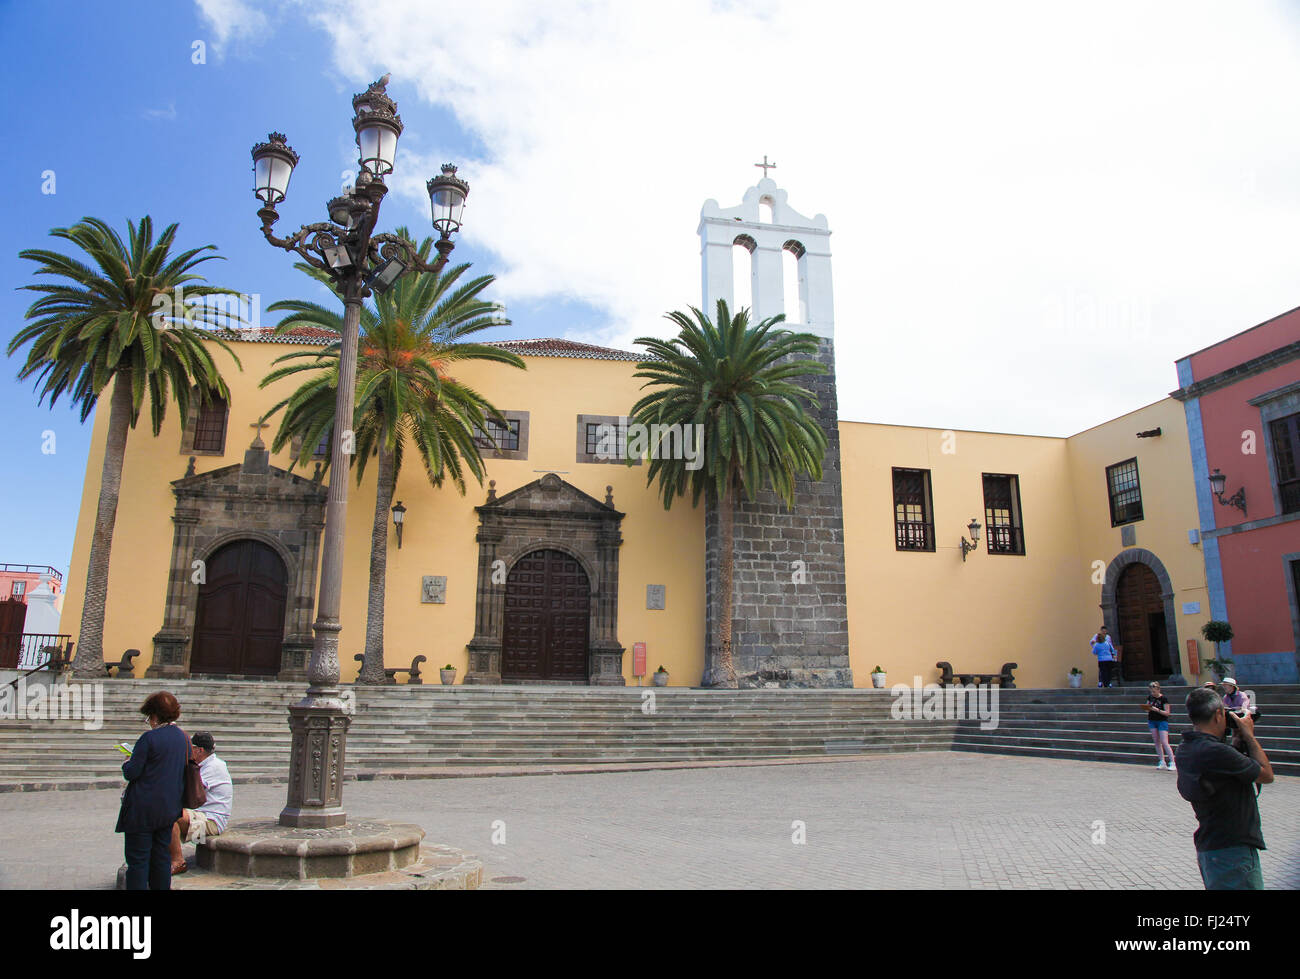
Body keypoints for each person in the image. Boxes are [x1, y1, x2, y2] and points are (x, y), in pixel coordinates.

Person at [1174, 686, 1274, 889]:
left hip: (1211, 848)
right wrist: (1249, 736)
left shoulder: (1186, 748)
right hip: (1233, 852)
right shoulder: (1217, 752)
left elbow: (1224, 771)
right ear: (1219, 714)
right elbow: (1266, 774)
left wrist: (1236, 742)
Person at [115, 691, 189, 890]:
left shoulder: (149, 739)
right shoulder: (182, 737)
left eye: (148, 717)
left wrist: (127, 762)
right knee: (161, 858)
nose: (148, 721)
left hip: (142, 809)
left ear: (155, 715)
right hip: (167, 808)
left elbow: (132, 772)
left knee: (138, 860)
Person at [169, 731, 233, 874]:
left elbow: (190, 792)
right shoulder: (203, 765)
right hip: (201, 815)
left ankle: (178, 861)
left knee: (170, 815)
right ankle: (165, 858)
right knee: (165, 813)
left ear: (200, 750)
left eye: (191, 748)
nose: (189, 752)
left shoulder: (215, 766)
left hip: (211, 822)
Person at [1142, 681, 1174, 770]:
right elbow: (1147, 707)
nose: (1153, 693)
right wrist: (1147, 708)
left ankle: (1172, 761)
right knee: (1156, 741)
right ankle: (1162, 761)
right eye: (1151, 691)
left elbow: (1167, 713)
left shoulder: (1164, 699)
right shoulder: (1150, 697)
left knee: (1164, 741)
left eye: (1154, 691)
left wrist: (1157, 710)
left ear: (1158, 690)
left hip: (1162, 721)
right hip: (1152, 720)